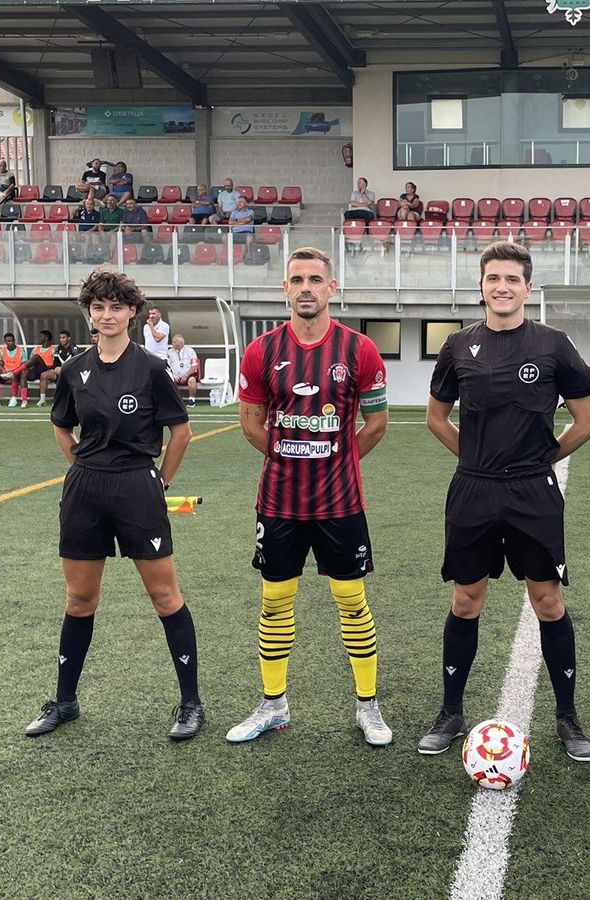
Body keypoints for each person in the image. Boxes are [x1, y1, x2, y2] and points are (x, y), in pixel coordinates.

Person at [416, 241, 590, 762]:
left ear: (527, 287)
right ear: (481, 286)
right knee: (465, 600)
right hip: (473, 489)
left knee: (548, 601)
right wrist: (475, 458)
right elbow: (436, 418)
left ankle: (567, 718)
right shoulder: (457, 346)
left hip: (532, 492)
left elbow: (585, 422)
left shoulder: (553, 344)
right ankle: (451, 712)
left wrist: (540, 460)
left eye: (512, 279)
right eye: (493, 278)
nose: (502, 287)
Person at [24, 269, 204, 741]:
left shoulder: (149, 367)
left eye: (116, 307)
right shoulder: (73, 370)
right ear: (89, 313)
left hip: (137, 487)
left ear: (132, 313)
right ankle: (65, 702)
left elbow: (180, 433)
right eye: (98, 307)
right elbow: (62, 425)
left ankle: (190, 704)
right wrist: (80, 466)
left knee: (165, 597)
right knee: (80, 599)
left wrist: (157, 482)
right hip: (85, 489)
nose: (107, 315)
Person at [227, 246, 394, 747]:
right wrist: (288, 455)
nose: (306, 288)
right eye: (296, 279)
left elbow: (377, 423)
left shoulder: (359, 350)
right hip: (278, 503)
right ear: (285, 288)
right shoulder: (261, 352)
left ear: (331, 288)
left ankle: (368, 707)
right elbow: (251, 424)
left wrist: (335, 459)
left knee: (352, 603)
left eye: (315, 279)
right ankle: (273, 705)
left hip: (341, 503)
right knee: (275, 603)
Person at [39, 329, 80, 405]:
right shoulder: (57, 349)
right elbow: (55, 362)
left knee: (62, 377)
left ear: (69, 338)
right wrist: (56, 368)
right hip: (58, 372)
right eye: (60, 338)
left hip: (70, 373)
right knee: (44, 375)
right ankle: (42, 399)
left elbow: (76, 363)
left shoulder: (74, 349)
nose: (61, 340)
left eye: (64, 338)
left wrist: (63, 369)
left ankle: (60, 400)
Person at [26, 328, 60, 403]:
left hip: (48, 369)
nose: (39, 338)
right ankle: (23, 399)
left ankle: (42, 399)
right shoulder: (36, 349)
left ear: (46, 337)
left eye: (40, 336)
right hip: (37, 371)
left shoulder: (54, 349)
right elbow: (31, 363)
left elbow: (56, 363)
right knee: (23, 374)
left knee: (36, 357)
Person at [0, 332, 30, 408]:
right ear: (5, 342)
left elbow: (24, 364)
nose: (10, 342)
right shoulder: (1, 350)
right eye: (8, 341)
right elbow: (0, 363)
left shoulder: (21, 350)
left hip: (17, 371)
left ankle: (18, 399)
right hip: (6, 372)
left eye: (12, 341)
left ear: (14, 340)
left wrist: (14, 371)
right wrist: (3, 370)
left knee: (18, 375)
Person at [166, 333, 200, 406]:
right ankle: (171, 401)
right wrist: (173, 375)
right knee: (166, 379)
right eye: (172, 342)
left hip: (189, 375)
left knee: (192, 380)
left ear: (180, 343)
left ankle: (192, 400)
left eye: (174, 342)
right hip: (175, 376)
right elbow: (167, 366)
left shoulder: (190, 351)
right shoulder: (169, 352)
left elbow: (195, 365)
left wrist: (186, 375)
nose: (172, 343)